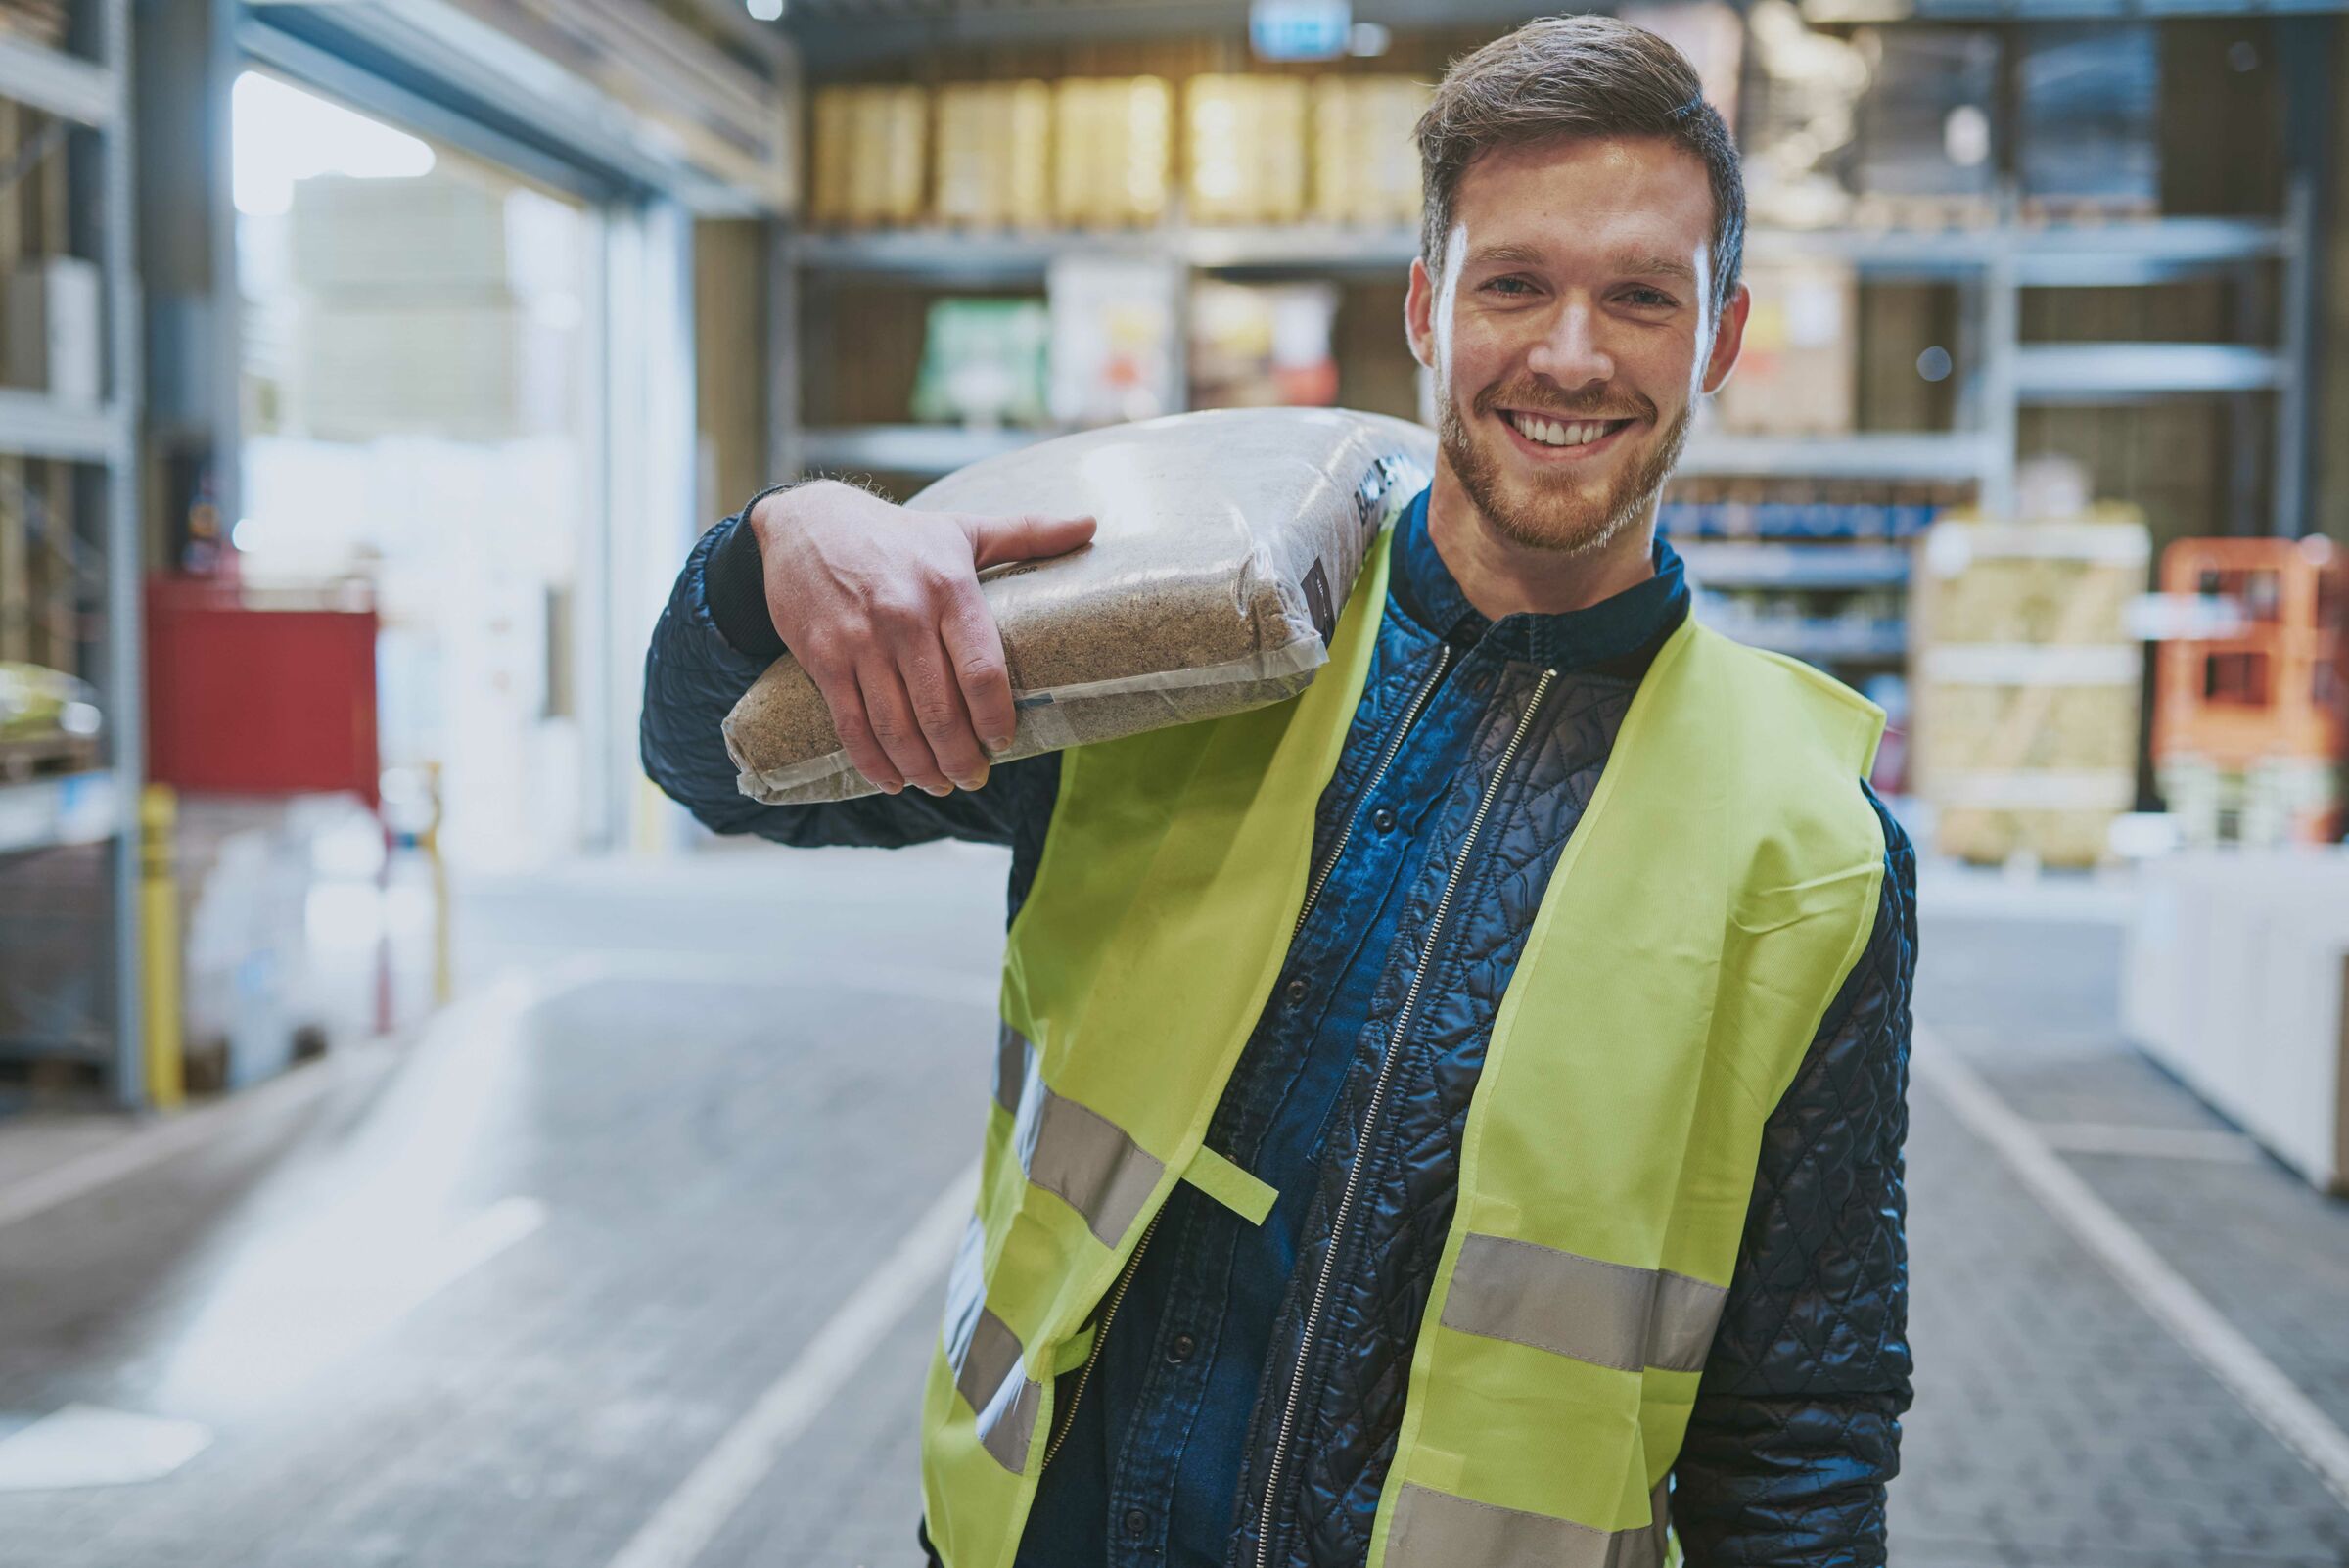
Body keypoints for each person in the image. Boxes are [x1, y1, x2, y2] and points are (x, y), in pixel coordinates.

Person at [641, 16, 1913, 1568]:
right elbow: (718, 767)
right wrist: (781, 542)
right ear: (1426, 308)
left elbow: (1802, 1426)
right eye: (1513, 281)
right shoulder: (1175, 643)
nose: (1571, 353)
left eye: (1640, 296)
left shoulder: (1809, 843)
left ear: (1717, 339)